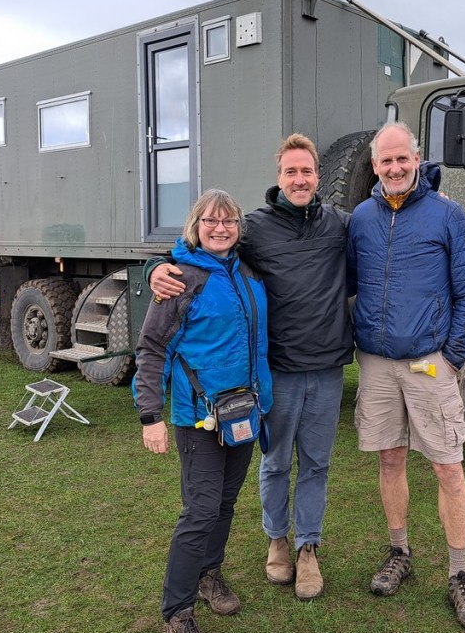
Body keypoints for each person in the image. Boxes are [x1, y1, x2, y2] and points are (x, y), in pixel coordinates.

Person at [149, 133, 352, 601]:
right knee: (276, 462)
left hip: (326, 369)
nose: (299, 179)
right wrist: (156, 268)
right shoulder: (254, 228)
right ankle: (276, 541)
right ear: (278, 177)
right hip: (275, 373)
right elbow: (203, 257)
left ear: (318, 176)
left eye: (307, 171)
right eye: (290, 172)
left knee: (317, 464)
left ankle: (308, 549)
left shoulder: (339, 225)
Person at [346, 121, 465, 628]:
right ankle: (400, 552)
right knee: (390, 459)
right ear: (376, 166)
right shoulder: (361, 218)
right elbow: (342, 278)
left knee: (448, 466)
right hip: (378, 363)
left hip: (430, 363)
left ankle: (459, 573)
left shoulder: (448, 214)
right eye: (385, 162)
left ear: (416, 157)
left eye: (401, 159)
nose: (394, 168)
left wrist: (452, 357)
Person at [133, 189, 272, 633]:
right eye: (211, 221)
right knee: (200, 511)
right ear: (195, 226)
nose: (221, 228)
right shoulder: (179, 280)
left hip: (244, 412)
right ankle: (177, 613)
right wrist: (150, 415)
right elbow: (151, 348)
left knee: (227, 503)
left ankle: (210, 574)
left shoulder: (247, 271)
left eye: (229, 220)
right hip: (198, 417)